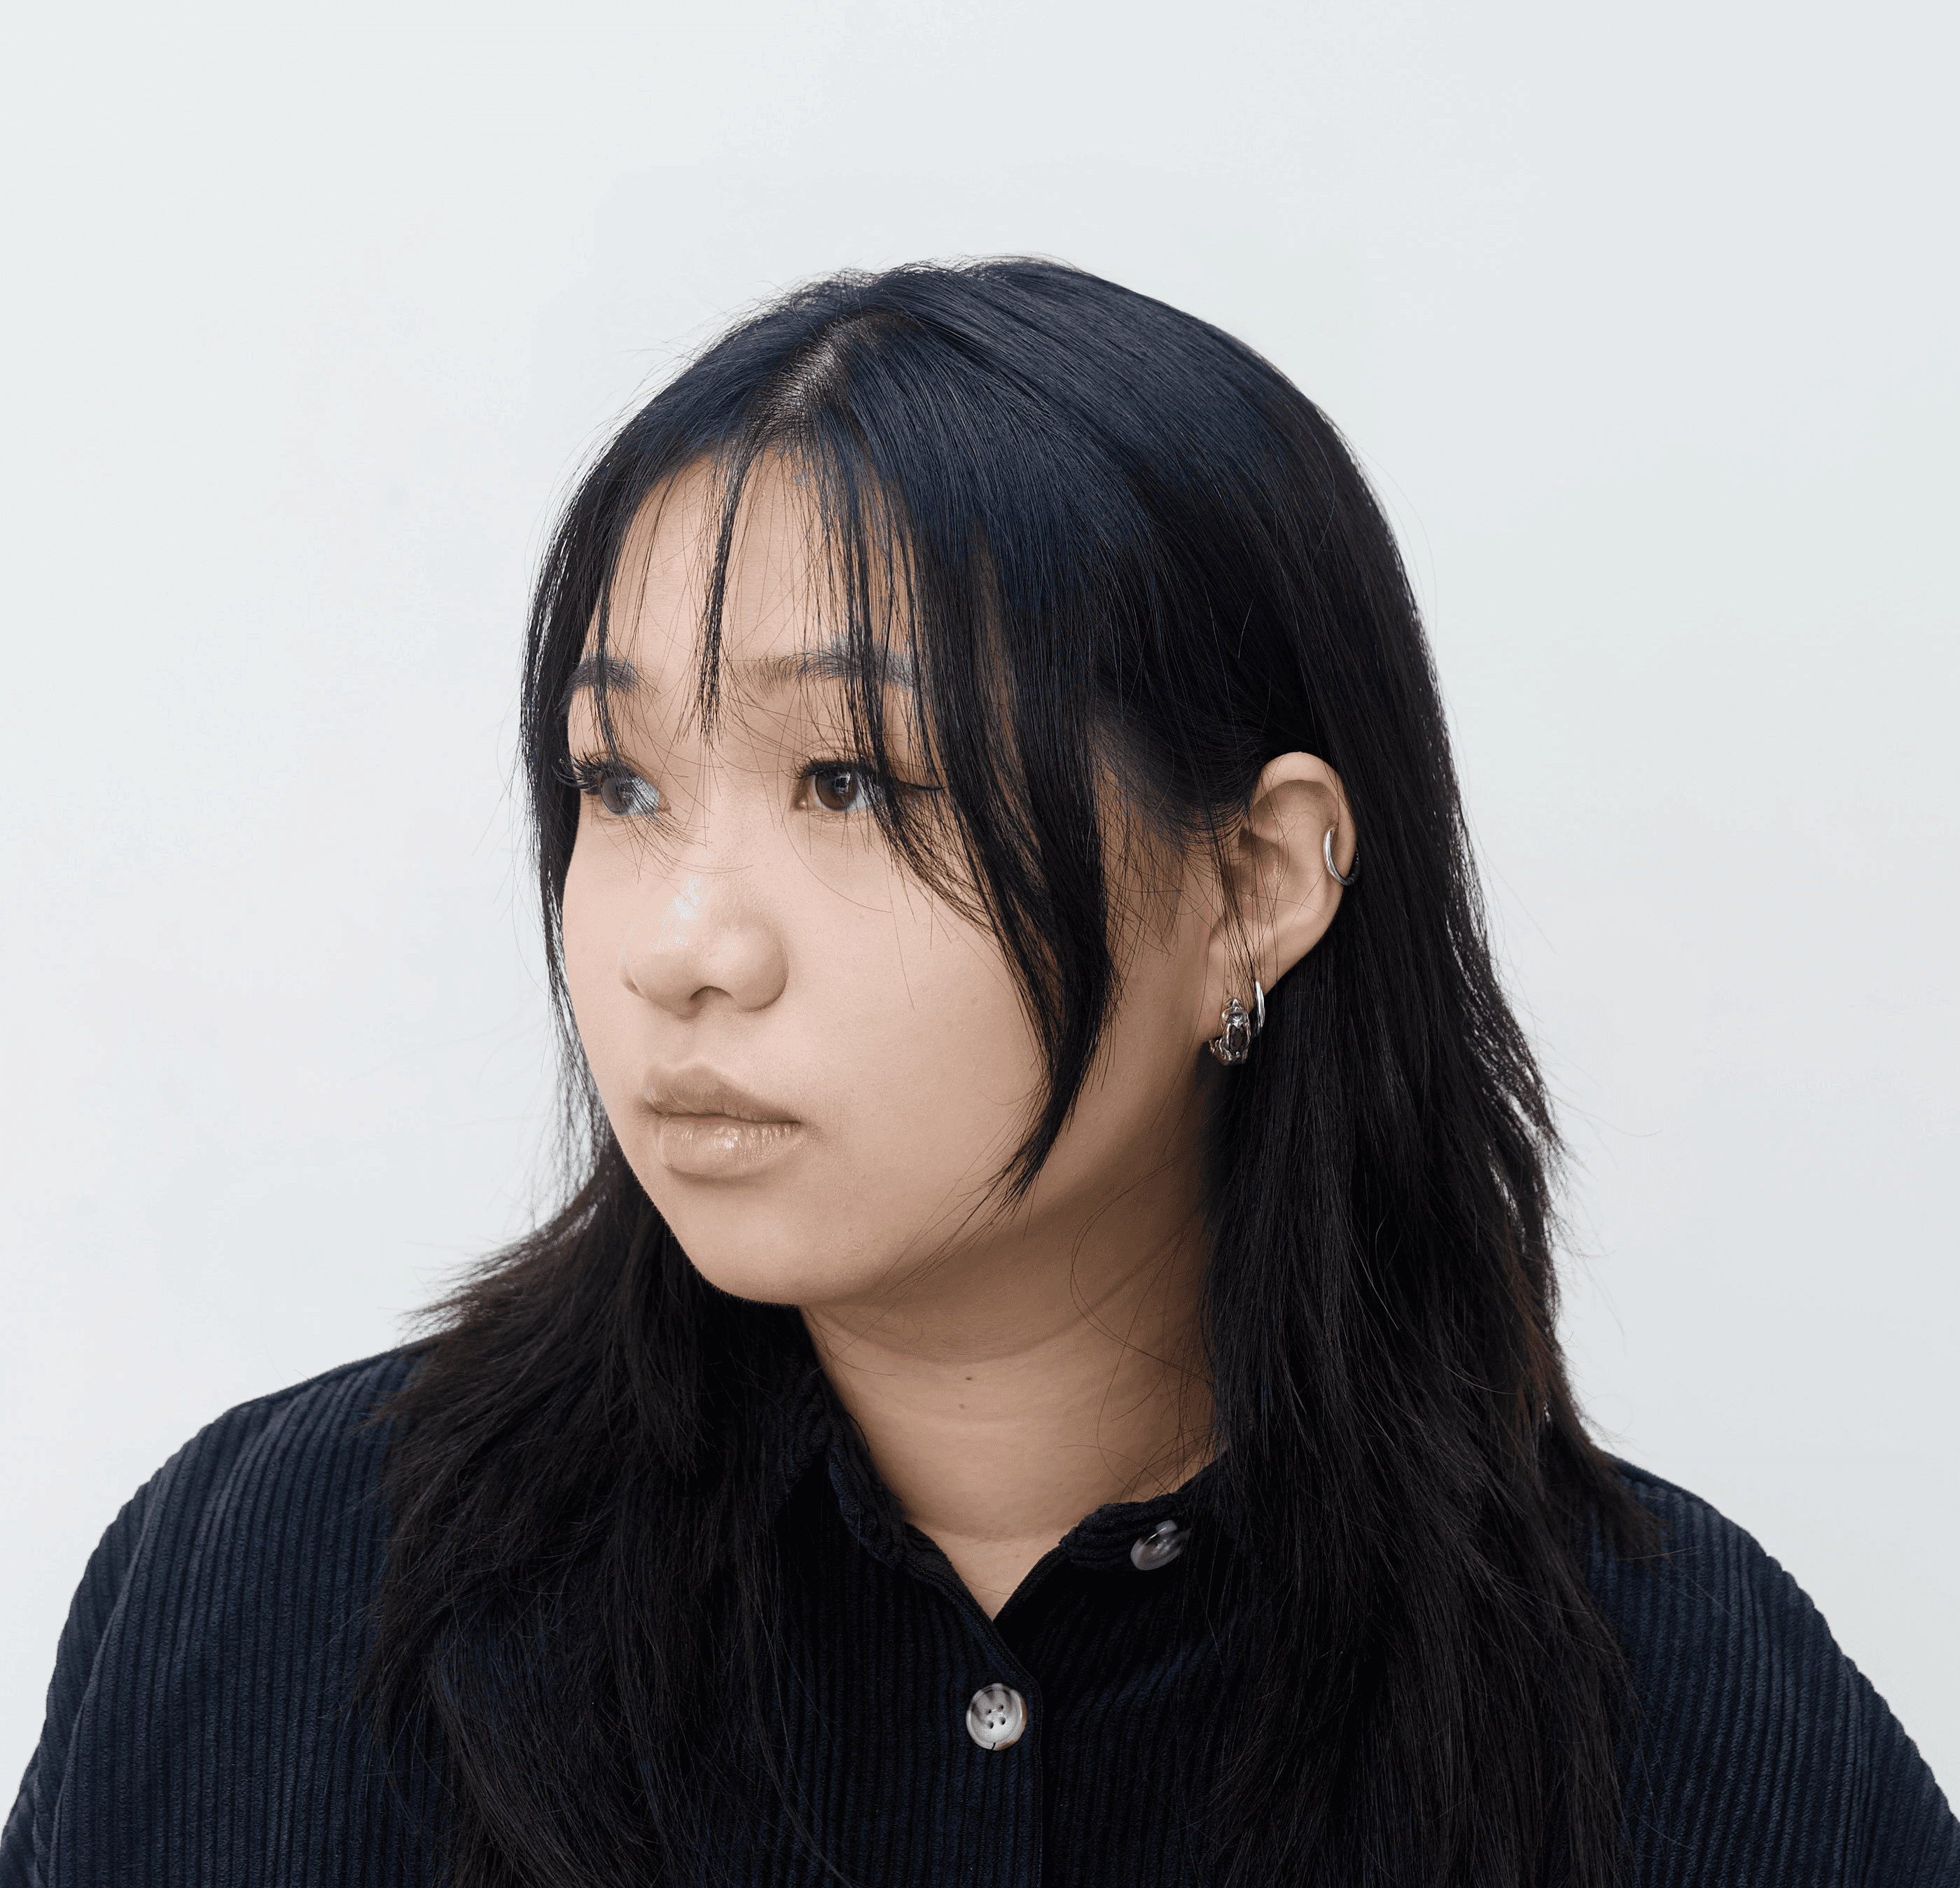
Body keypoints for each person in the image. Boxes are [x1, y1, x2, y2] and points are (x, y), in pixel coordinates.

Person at [5, 258, 1954, 1888]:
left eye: (849, 782)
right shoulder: (280, 1595)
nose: (682, 944)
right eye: (619, 784)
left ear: (1253, 880)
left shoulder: (1680, 1727)